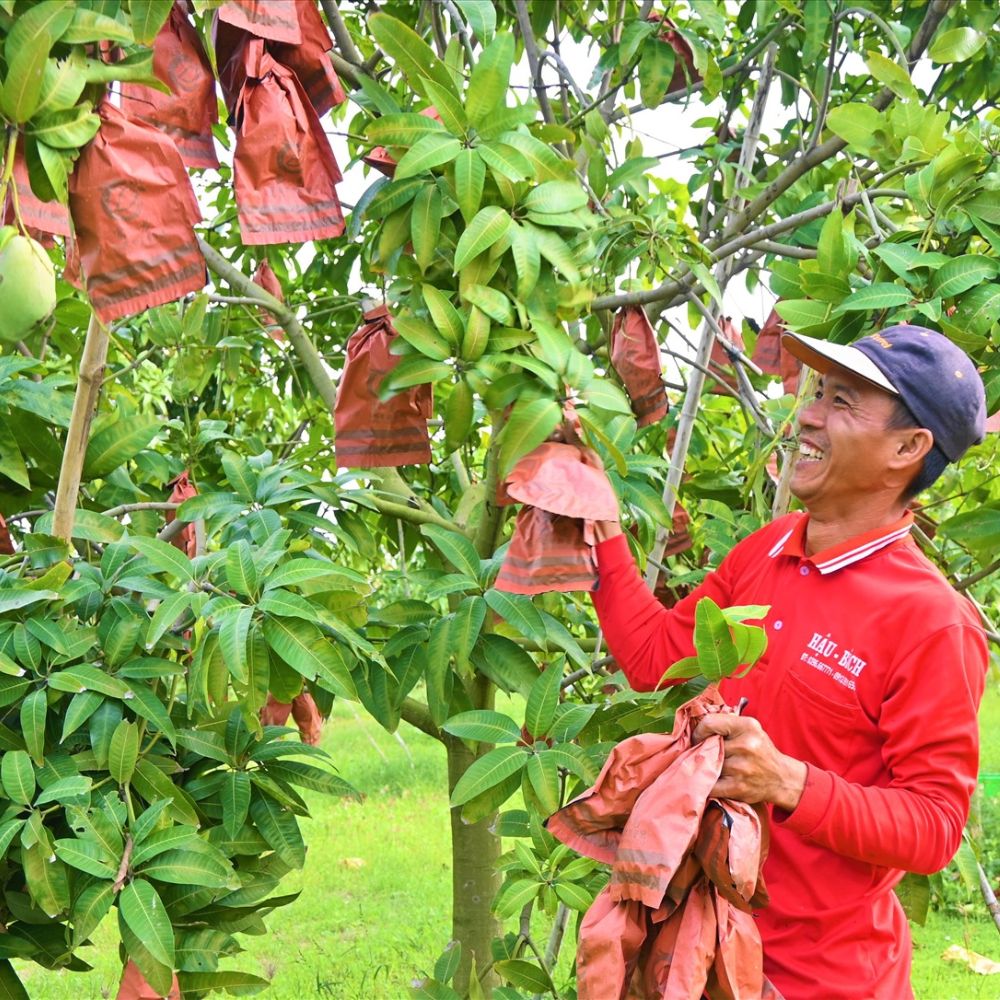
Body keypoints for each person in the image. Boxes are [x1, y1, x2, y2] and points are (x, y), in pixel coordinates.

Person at [588, 324, 989, 999]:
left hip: (822, 981)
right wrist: (594, 522)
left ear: (908, 448)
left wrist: (789, 782)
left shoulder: (930, 621)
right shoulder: (771, 548)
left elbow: (935, 826)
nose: (806, 414)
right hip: (704, 954)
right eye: (819, 393)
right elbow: (655, 659)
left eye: (842, 402)